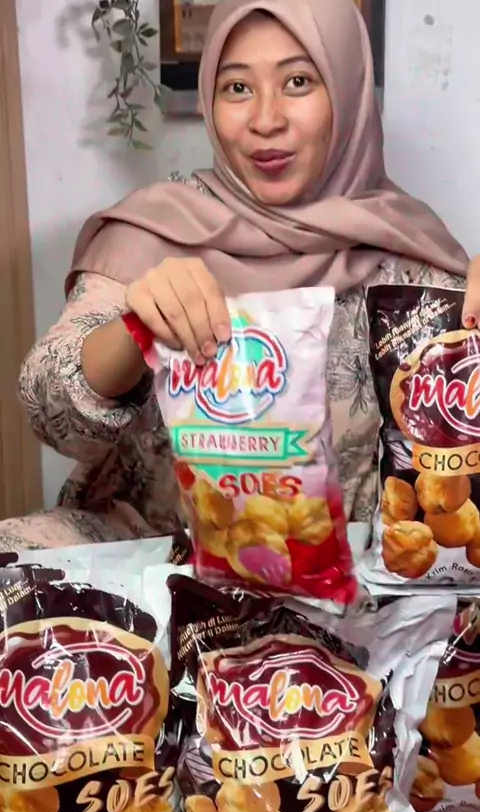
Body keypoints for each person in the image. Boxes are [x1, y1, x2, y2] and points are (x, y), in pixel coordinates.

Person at [1, 0, 479, 555]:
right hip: (152, 559)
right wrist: (137, 326)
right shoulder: (159, 230)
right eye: (237, 88)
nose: (265, 120)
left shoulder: (411, 255)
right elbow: (50, 413)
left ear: (347, 92)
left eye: (298, 82)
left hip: (351, 571)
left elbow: (453, 463)